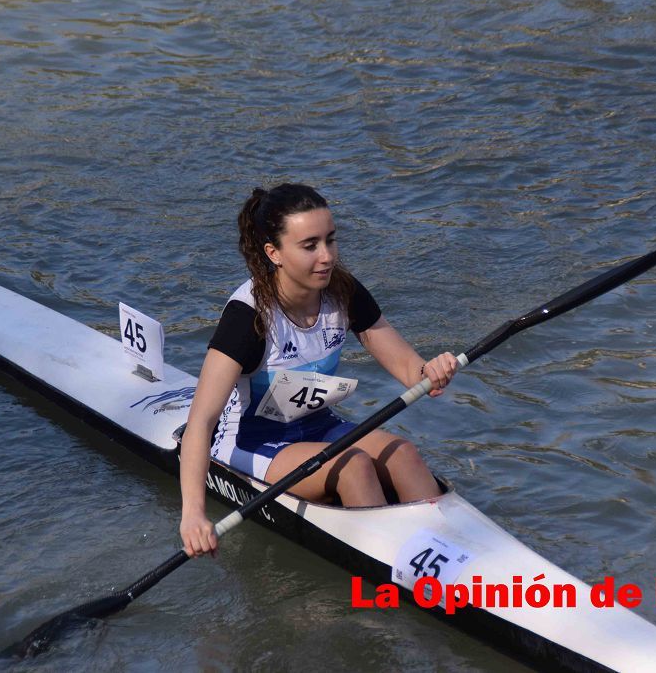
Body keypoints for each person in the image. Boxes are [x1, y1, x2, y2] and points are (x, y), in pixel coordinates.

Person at [179, 183, 458, 558]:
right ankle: (389, 565)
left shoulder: (343, 291)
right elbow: (200, 422)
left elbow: (411, 369)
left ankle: (452, 551)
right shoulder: (248, 318)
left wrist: (432, 371)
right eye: (310, 245)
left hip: (317, 424)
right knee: (354, 467)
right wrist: (193, 515)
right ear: (273, 253)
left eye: (330, 240)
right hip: (249, 439)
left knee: (403, 453)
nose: (326, 256)